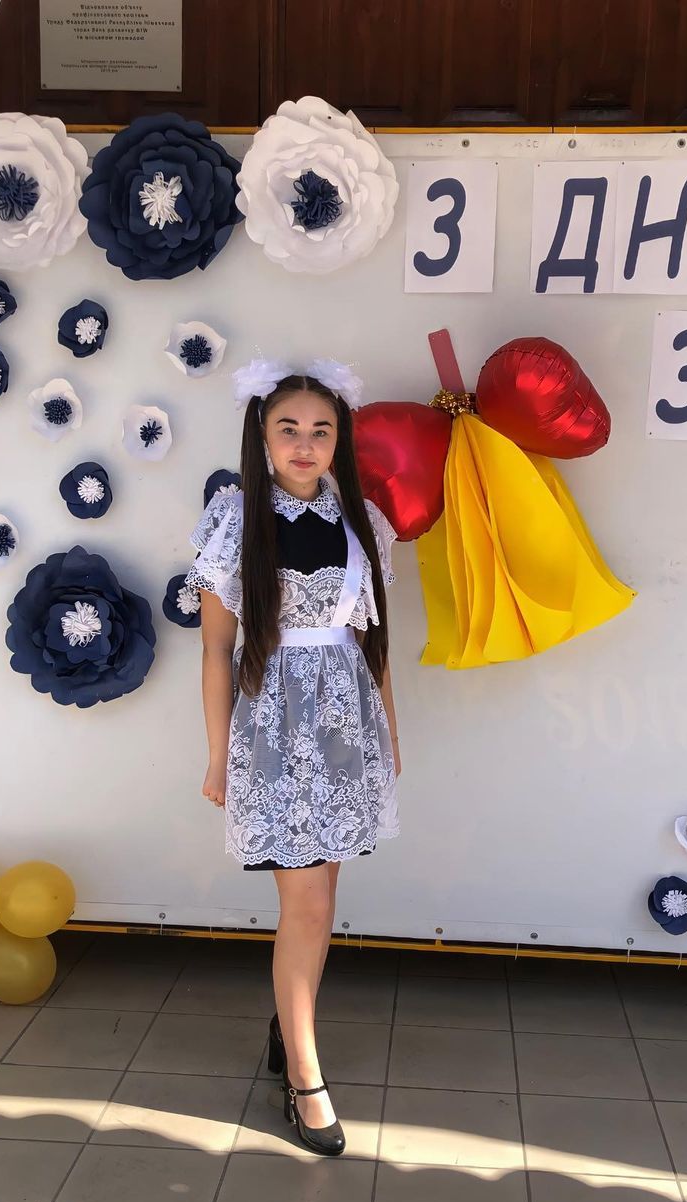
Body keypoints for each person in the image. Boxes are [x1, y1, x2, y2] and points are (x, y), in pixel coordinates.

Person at [183, 357, 401, 1157]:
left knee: (323, 897)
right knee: (303, 904)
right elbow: (216, 649)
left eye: (321, 431)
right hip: (273, 730)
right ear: (262, 435)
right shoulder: (235, 520)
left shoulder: (360, 521)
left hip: (345, 727)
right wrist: (218, 755)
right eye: (289, 429)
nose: (305, 444)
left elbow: (372, 641)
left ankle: (290, 1022)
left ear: (339, 440)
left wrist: (389, 734)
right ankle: (305, 1080)